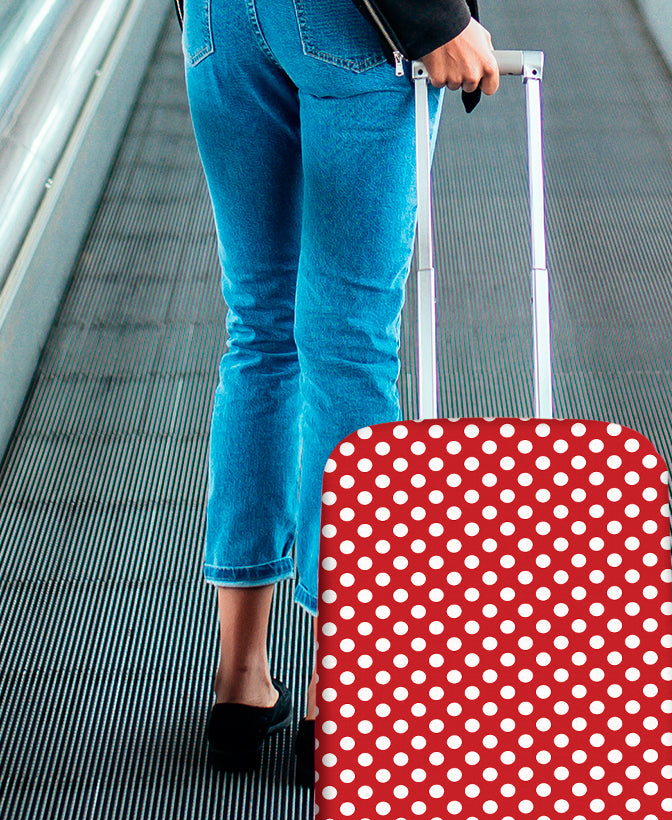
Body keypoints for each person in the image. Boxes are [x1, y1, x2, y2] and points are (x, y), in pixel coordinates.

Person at [182, 0, 499, 777]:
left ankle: (241, 679)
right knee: (348, 348)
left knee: (258, 332)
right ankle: (339, 696)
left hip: (220, 24)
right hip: (352, 28)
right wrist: (434, 18)